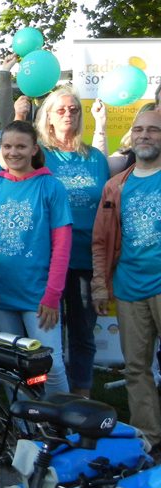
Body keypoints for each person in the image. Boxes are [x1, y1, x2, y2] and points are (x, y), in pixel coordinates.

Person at [0, 120, 72, 396]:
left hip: (37, 294)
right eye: (7, 146)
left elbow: (62, 245)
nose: (13, 152)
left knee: (50, 366)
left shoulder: (51, 187)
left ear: (34, 149)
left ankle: (63, 430)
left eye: (21, 146)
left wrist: (52, 295)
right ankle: (22, 433)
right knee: (10, 367)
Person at [91, 110, 161, 456]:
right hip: (131, 288)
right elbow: (101, 242)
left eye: (153, 130)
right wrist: (100, 286)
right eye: (139, 130)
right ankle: (149, 438)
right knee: (136, 368)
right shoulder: (116, 186)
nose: (145, 135)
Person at [35, 87, 110, 398]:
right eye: (61, 110)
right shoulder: (40, 155)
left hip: (84, 258)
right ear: (49, 117)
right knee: (45, 333)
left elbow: (106, 206)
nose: (68, 114)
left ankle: (81, 398)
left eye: (74, 110)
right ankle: (47, 398)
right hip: (46, 258)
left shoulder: (94, 158)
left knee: (81, 333)